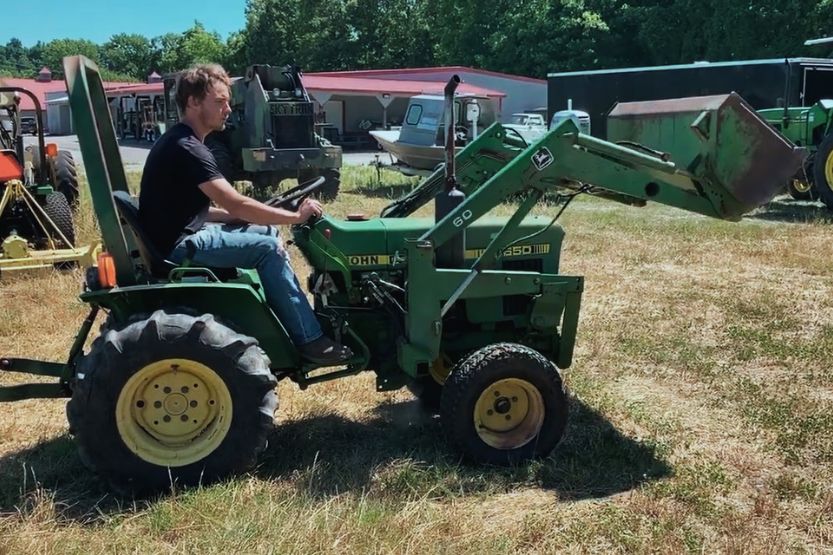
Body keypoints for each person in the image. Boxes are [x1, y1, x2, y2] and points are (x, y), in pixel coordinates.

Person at [138, 63, 353, 365]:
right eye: (220, 101)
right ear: (193, 102)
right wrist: (295, 217)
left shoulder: (181, 141)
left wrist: (238, 218)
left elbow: (190, 210)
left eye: (228, 101)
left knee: (267, 233)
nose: (228, 108)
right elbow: (235, 203)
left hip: (175, 236)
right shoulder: (188, 148)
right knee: (267, 248)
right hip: (178, 247)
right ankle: (310, 339)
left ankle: (288, 319)